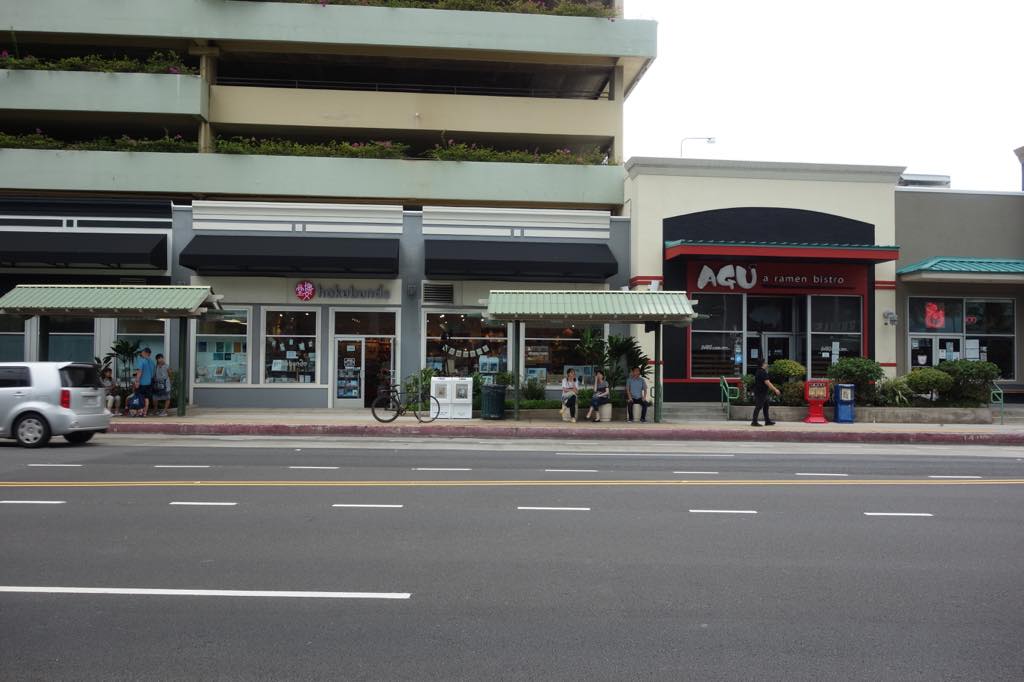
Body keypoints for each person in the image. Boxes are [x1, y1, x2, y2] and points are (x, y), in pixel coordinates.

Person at [751, 358, 781, 426]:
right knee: (759, 406)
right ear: (763, 364)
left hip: (762, 391)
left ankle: (767, 421)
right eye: (765, 363)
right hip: (761, 392)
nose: (767, 364)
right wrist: (775, 389)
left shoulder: (759, 371)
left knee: (766, 406)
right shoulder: (762, 372)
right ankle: (754, 421)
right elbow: (767, 382)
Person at [132, 347, 156, 417]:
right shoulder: (152, 362)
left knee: (140, 397)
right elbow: (153, 374)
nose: (141, 353)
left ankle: (140, 412)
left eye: (142, 352)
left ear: (146, 353)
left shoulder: (141, 361)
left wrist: (137, 381)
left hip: (142, 383)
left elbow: (139, 372)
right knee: (146, 398)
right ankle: (145, 412)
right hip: (149, 383)